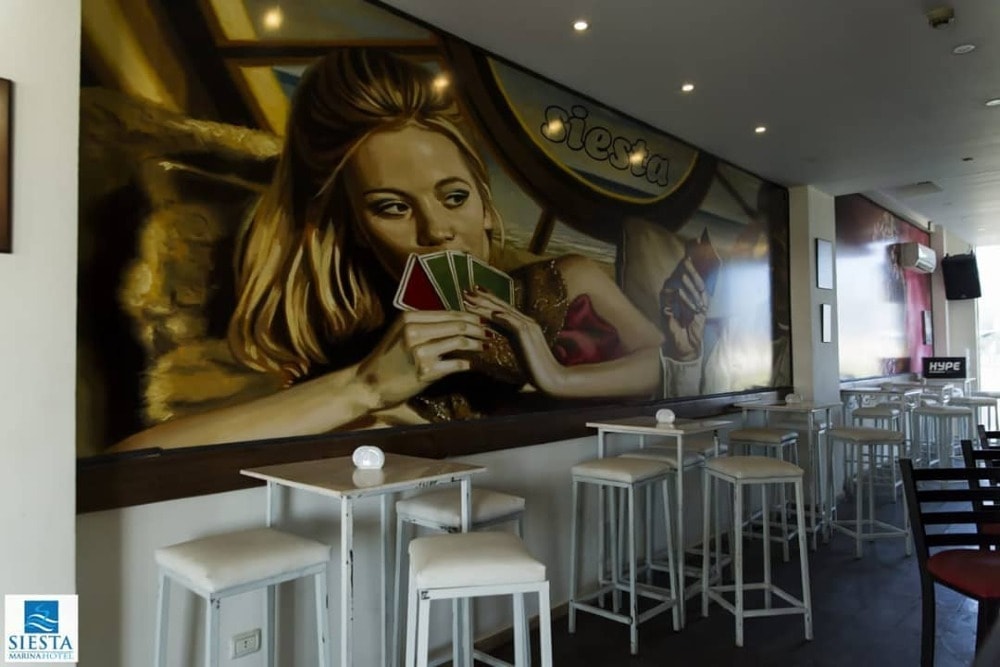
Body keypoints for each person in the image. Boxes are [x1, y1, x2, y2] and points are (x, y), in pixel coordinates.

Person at [110, 48, 707, 452]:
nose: (437, 231)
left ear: (484, 201)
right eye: (392, 208)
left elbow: (659, 365)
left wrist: (551, 375)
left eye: (454, 197)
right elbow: (137, 456)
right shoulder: (372, 358)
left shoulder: (567, 278)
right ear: (353, 225)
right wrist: (364, 388)